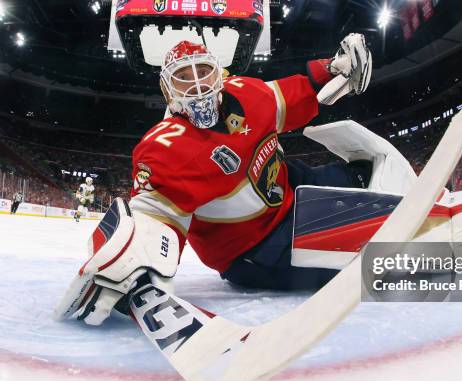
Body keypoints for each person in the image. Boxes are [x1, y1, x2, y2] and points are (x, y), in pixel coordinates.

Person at [58, 34, 373, 325]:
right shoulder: (167, 147)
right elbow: (154, 216)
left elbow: (294, 93)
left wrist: (333, 68)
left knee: (364, 176)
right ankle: (409, 269)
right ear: (168, 91)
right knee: (353, 263)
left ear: (219, 75)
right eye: (183, 78)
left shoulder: (248, 91)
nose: (196, 85)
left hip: (287, 185)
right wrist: (130, 267)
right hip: (253, 248)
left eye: (204, 72)